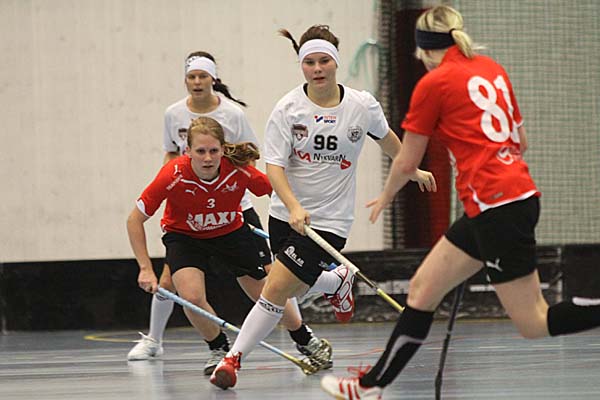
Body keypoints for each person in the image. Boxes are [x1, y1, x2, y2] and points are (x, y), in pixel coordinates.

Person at [320, 5, 600, 399]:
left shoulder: (434, 83)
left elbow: (407, 162)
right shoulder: (492, 68)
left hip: (496, 208)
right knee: (422, 290)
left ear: (424, 50)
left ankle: (370, 385)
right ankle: (370, 386)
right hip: (502, 201)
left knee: (534, 322)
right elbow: (521, 142)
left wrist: (386, 196)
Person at [210, 25, 436, 390]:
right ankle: (336, 281)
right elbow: (274, 167)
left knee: (275, 288)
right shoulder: (288, 109)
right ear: (302, 65)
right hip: (286, 217)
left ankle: (232, 360)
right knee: (291, 288)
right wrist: (293, 206)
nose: (317, 69)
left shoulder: (362, 105)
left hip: (330, 221)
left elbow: (387, 139)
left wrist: (412, 170)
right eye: (310, 62)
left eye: (324, 61)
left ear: (336, 63)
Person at [127, 52, 325, 375]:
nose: (207, 158)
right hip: (185, 236)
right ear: (187, 151)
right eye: (200, 152)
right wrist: (145, 268)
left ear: (223, 150)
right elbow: (134, 219)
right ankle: (218, 348)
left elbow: (274, 188)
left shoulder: (238, 169)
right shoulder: (172, 174)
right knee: (190, 295)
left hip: (231, 230)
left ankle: (305, 339)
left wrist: (296, 209)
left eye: (213, 151)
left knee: (269, 291)